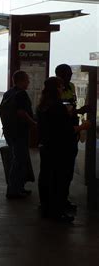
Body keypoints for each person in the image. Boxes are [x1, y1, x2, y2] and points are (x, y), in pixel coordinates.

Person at [37, 77, 90, 222]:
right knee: (59, 180)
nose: (62, 89)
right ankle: (57, 212)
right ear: (56, 89)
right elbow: (65, 130)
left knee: (47, 177)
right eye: (60, 87)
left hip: (47, 146)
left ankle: (46, 207)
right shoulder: (57, 106)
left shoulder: (43, 105)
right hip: (60, 149)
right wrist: (83, 127)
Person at [55, 64, 90, 212]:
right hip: (62, 132)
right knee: (60, 169)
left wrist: (78, 111)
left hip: (71, 130)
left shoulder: (71, 87)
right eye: (66, 74)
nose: (69, 76)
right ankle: (58, 201)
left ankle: (63, 198)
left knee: (68, 168)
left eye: (70, 74)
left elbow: (71, 107)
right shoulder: (55, 89)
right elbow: (62, 112)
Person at [0, 70, 36, 199]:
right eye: (27, 80)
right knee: (19, 160)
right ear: (21, 81)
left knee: (18, 158)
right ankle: (13, 190)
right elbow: (22, 113)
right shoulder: (21, 94)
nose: (29, 82)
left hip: (10, 131)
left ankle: (18, 187)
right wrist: (33, 124)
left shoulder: (8, 93)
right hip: (19, 131)